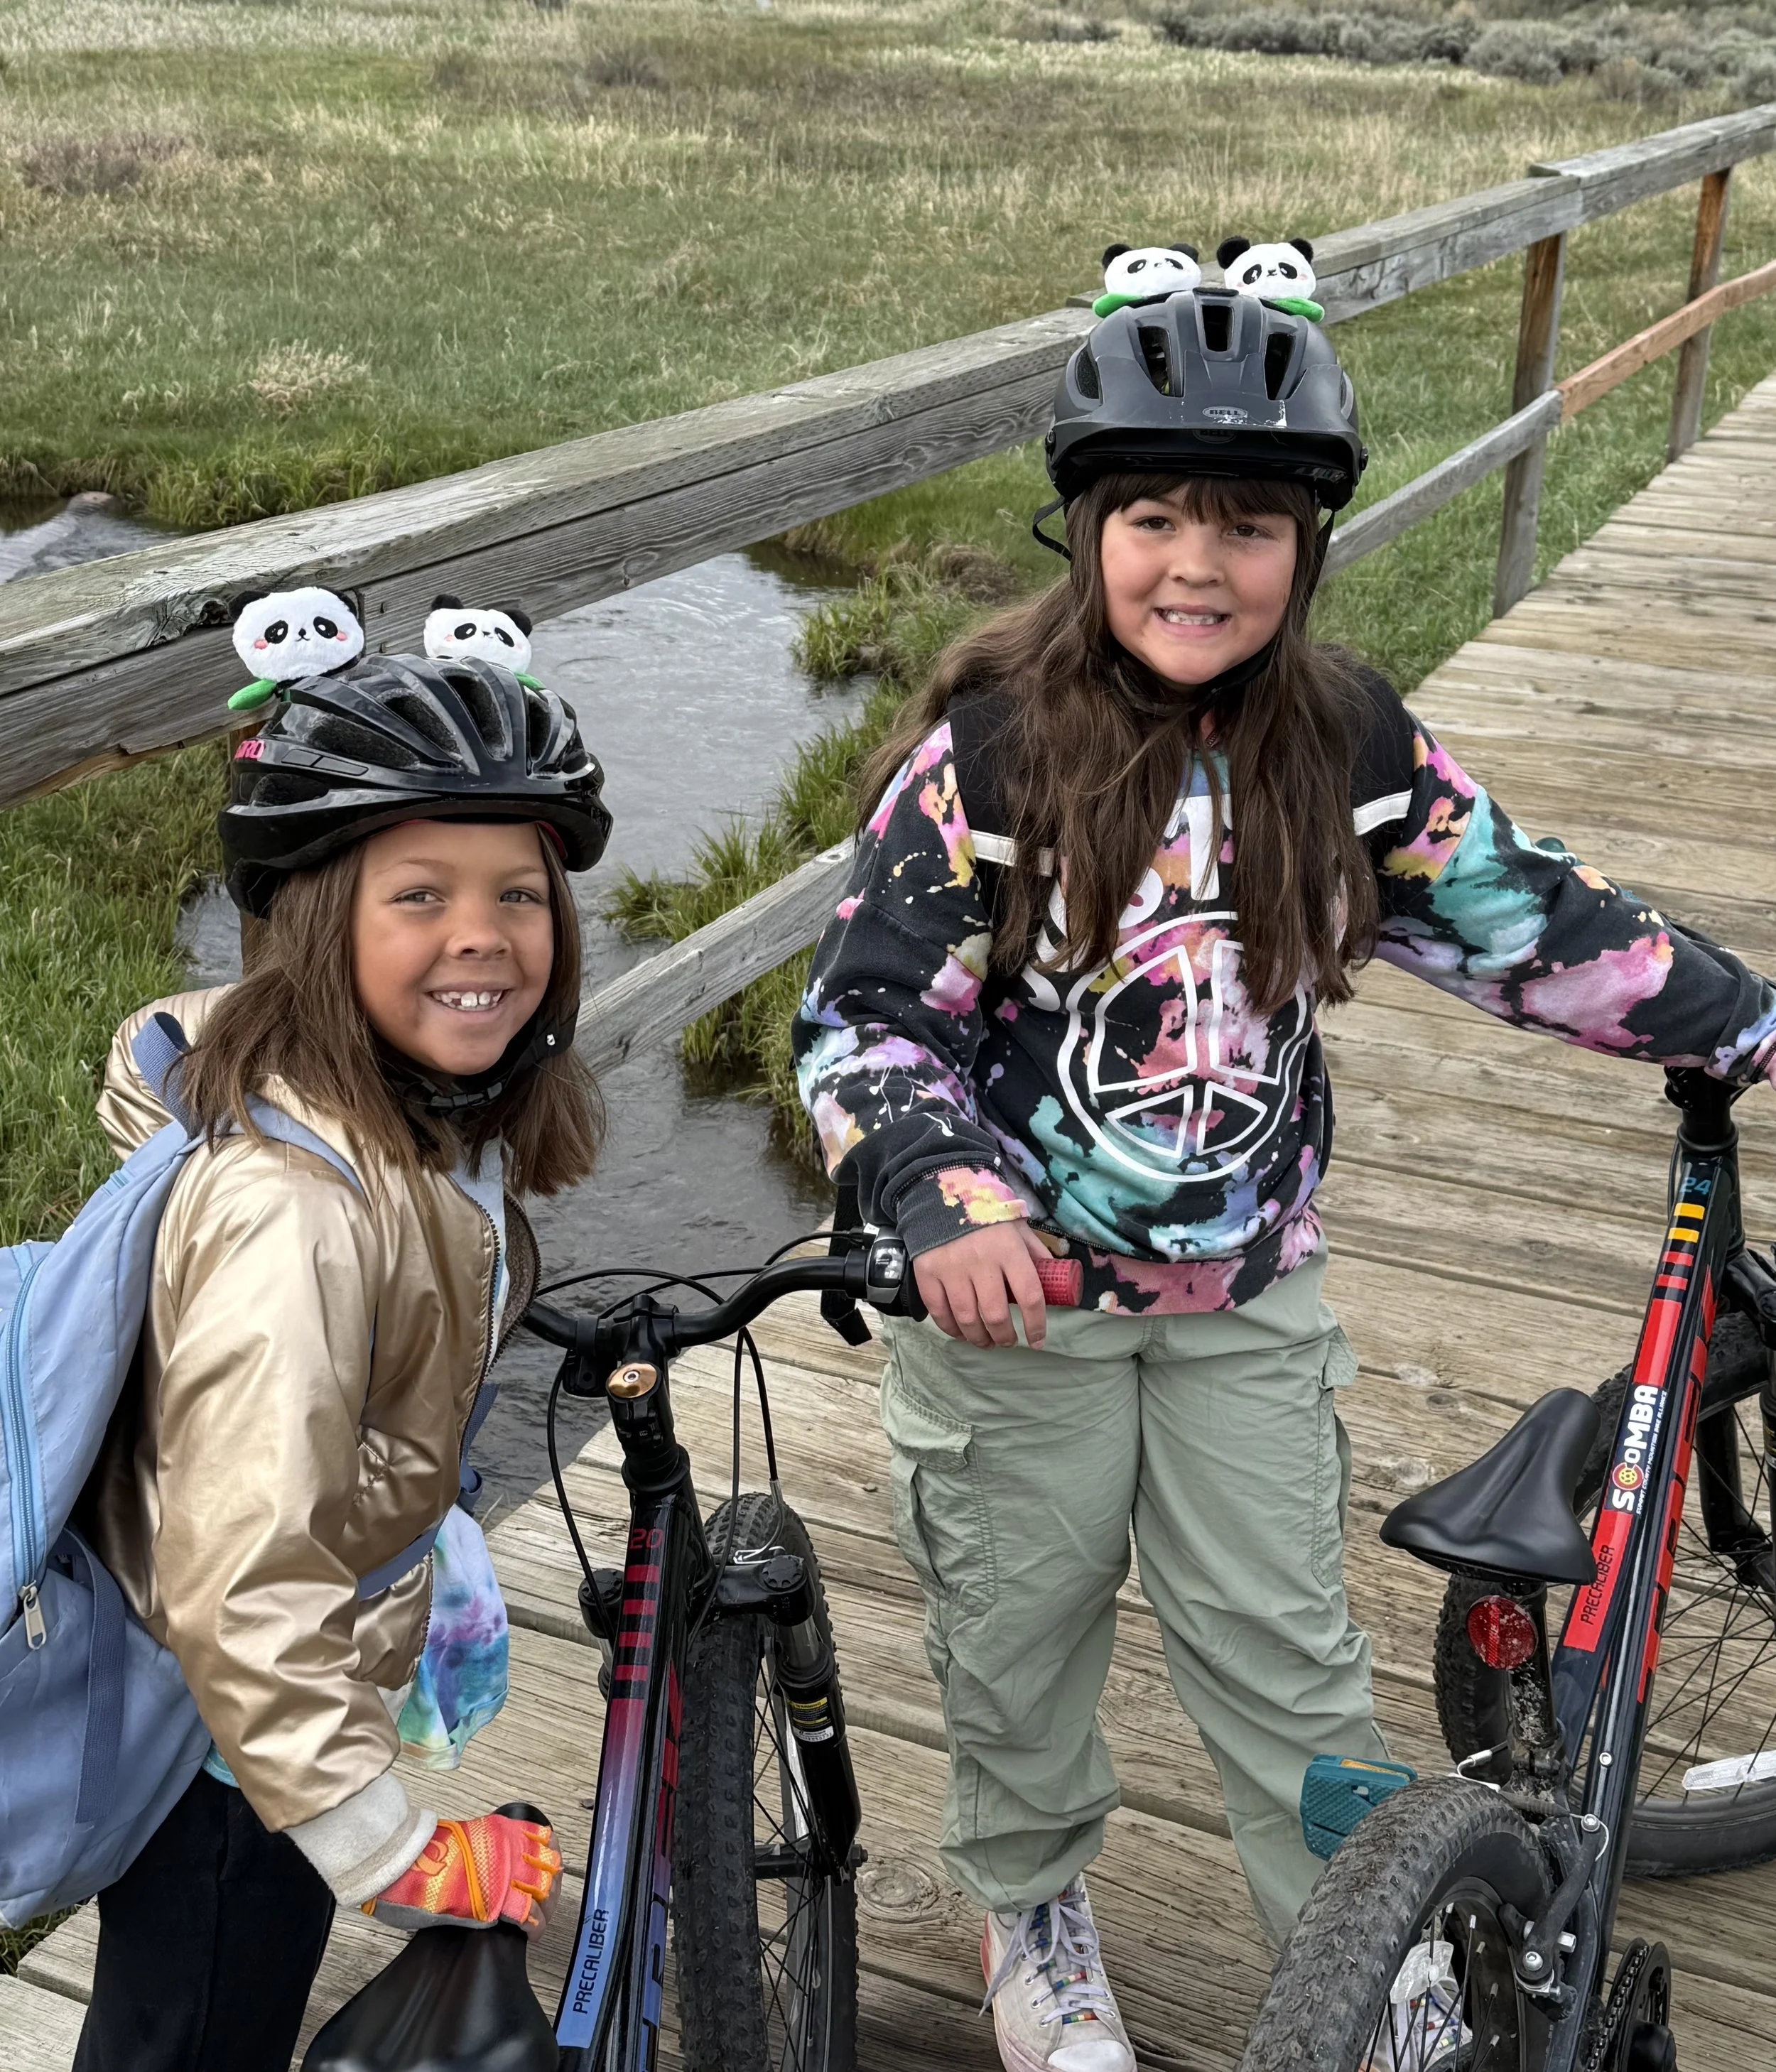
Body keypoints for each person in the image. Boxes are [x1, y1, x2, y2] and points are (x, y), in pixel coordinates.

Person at [793, 288, 1776, 2072]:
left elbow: (1526, 924)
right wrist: (942, 1193)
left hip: (1247, 1299)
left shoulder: (1350, 744)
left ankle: (1361, 1957)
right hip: (1016, 1325)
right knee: (1014, 1640)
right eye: (1152, 518)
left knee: (1289, 1659)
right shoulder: (992, 755)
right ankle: (1031, 1911)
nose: (1196, 561)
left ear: (1305, 541)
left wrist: (1739, 1020)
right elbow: (862, 1023)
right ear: (1084, 531)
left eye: (1245, 523)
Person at [70, 649, 612, 2072]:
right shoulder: (295, 1215)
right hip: (226, 1750)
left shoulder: (411, 1107)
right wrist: (389, 1851)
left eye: (515, 892)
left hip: (267, 1715)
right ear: (317, 921)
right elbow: (242, 1591)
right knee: (193, 2033)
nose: (480, 933)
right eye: (419, 895)